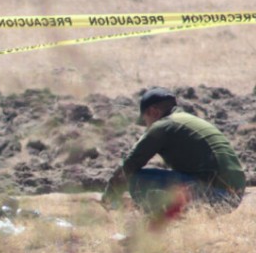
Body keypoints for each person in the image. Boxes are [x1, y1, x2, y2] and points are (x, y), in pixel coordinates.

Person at [102, 88, 245, 218]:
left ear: (153, 112)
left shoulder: (163, 126)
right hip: (234, 197)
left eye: (145, 121)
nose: (147, 126)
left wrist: (108, 197)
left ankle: (156, 224)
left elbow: (129, 165)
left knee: (136, 179)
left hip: (216, 195)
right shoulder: (187, 121)